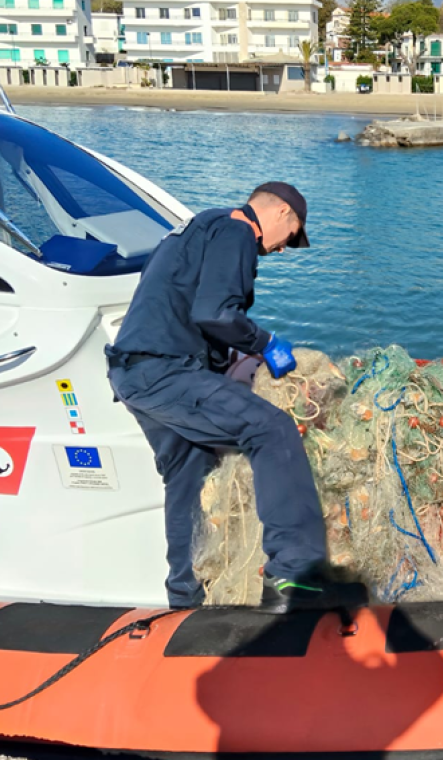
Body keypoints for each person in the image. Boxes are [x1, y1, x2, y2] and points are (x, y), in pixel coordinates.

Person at [105, 182, 365, 613]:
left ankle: (185, 595)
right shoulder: (238, 231)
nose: (284, 250)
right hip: (167, 371)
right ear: (281, 212)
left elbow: (190, 309)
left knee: (189, 472)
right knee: (271, 430)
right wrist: (264, 343)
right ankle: (295, 575)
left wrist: (226, 360)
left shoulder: (204, 225)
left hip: (133, 373)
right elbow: (215, 313)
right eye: (292, 236)